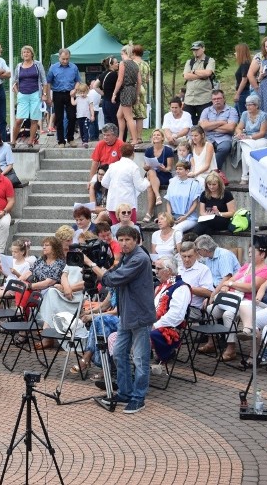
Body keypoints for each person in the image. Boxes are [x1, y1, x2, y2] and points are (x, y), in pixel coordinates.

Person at [87, 225, 155, 414]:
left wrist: (91, 264)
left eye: (128, 240)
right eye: (121, 240)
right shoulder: (126, 257)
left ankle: (138, 397)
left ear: (136, 240)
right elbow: (114, 276)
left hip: (140, 316)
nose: (124, 243)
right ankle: (125, 392)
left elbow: (113, 279)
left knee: (141, 359)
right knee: (118, 353)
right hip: (126, 314)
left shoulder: (140, 258)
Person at [201, 245, 267, 361]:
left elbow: (250, 288)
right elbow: (230, 280)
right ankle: (212, 341)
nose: (249, 255)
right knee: (210, 309)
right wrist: (227, 286)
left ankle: (231, 348)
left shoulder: (266, 271)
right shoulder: (246, 266)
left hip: (247, 302)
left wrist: (230, 285)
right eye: (248, 252)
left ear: (263, 255)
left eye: (252, 252)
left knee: (227, 314)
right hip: (233, 298)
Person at [150, 256, 192, 368]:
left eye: (158, 269)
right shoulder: (162, 286)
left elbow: (176, 316)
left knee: (141, 335)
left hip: (170, 329)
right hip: (154, 323)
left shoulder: (181, 288)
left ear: (168, 271)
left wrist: (155, 325)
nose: (155, 271)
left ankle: (138, 370)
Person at [9, 45, 46, 148]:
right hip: (23, 95)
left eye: (28, 52)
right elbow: (14, 81)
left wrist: (44, 94)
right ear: (22, 55)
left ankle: (30, 141)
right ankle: (13, 141)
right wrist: (18, 93)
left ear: (32, 54)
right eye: (24, 52)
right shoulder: (19, 66)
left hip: (35, 94)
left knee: (34, 119)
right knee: (19, 120)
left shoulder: (37, 65)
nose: (26, 54)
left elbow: (44, 81)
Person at [101, 142, 148, 222]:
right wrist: (147, 181)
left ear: (121, 153)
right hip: (127, 205)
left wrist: (114, 187)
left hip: (113, 204)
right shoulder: (133, 167)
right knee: (130, 229)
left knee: (116, 229)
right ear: (133, 154)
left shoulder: (113, 165)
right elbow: (140, 187)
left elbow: (104, 182)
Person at [47, 48, 81, 147]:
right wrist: (49, 96)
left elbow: (78, 81)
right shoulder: (53, 68)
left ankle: (70, 138)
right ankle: (61, 141)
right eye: (63, 59)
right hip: (57, 93)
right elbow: (48, 82)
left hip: (70, 94)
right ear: (59, 57)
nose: (65, 61)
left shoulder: (74, 67)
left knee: (72, 117)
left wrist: (75, 89)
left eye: (67, 59)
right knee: (59, 118)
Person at [234, 93, 267, 185]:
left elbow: (262, 132)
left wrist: (249, 137)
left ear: (257, 105)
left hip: (261, 138)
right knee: (245, 146)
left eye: (250, 104)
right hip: (248, 139)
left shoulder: (263, 115)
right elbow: (239, 128)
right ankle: (252, 171)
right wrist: (240, 134)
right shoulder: (245, 114)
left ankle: (245, 177)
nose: (248, 107)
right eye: (247, 105)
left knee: (245, 149)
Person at [0, 238, 32, 308]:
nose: (13, 254)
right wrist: (2, 271)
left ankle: (2, 317)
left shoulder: (26, 264)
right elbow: (10, 275)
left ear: (22, 252)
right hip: (7, 285)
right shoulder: (12, 261)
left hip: (15, 288)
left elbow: (25, 279)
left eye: (15, 252)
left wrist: (16, 273)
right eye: (12, 252)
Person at [198, 90, 239, 171]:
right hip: (208, 138)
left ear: (224, 99)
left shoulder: (232, 110)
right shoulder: (206, 111)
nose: (216, 101)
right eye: (214, 99)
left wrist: (210, 126)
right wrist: (222, 122)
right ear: (212, 100)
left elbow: (230, 128)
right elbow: (203, 126)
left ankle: (213, 171)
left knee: (224, 148)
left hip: (224, 138)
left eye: (219, 98)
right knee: (199, 147)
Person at [194, 234, 241, 299]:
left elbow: (226, 278)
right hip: (216, 288)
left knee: (210, 308)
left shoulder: (224, 255)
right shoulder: (208, 258)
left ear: (204, 250)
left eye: (198, 249)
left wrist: (212, 295)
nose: (197, 252)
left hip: (229, 289)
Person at [112, 44, 141, 145]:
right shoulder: (135, 64)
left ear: (124, 53)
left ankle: (135, 139)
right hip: (133, 89)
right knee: (119, 115)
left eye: (121, 53)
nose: (121, 55)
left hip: (126, 90)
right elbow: (139, 82)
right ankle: (120, 138)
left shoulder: (123, 63)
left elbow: (120, 80)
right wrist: (136, 95)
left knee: (128, 117)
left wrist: (114, 93)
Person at [142, 129, 174, 221]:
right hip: (151, 174)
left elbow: (169, 168)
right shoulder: (148, 150)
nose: (155, 136)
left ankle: (149, 212)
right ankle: (157, 196)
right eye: (154, 135)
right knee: (151, 172)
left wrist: (164, 168)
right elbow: (145, 167)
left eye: (158, 135)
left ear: (162, 138)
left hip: (163, 174)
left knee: (149, 185)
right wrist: (147, 166)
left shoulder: (168, 150)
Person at [182, 41, 216, 124]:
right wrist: (201, 75)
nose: (195, 51)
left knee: (204, 123)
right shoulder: (189, 62)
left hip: (204, 99)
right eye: (193, 50)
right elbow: (186, 76)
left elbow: (208, 73)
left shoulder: (210, 60)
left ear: (203, 48)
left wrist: (193, 72)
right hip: (189, 99)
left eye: (197, 49)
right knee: (189, 123)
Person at [165, 161, 202, 234]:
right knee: (165, 229)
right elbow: (168, 201)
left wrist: (185, 216)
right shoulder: (172, 183)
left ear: (187, 171)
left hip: (189, 218)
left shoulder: (194, 184)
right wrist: (169, 216)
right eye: (177, 169)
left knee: (176, 230)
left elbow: (195, 203)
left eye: (180, 169)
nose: (177, 171)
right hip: (174, 217)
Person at [178, 241, 215, 311]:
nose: (186, 259)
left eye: (189, 256)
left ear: (196, 255)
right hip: (177, 304)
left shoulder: (203, 269)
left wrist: (186, 287)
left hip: (193, 308)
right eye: (184, 256)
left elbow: (209, 292)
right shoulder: (178, 269)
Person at [131, 44, 150, 140]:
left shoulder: (132, 63)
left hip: (134, 88)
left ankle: (132, 137)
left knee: (131, 114)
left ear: (133, 53)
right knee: (140, 115)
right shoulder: (146, 64)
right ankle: (139, 137)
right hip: (143, 89)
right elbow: (147, 79)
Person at [98, 55, 120, 133]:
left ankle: (108, 139)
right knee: (116, 122)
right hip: (113, 101)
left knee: (107, 122)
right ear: (111, 64)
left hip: (105, 101)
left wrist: (103, 93)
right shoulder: (115, 74)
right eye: (116, 63)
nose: (118, 64)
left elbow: (95, 86)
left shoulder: (103, 74)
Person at [71, 82, 94, 148]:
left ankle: (86, 141)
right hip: (79, 116)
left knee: (85, 129)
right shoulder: (78, 98)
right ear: (78, 92)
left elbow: (91, 107)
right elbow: (73, 103)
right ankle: (83, 141)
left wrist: (92, 115)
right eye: (81, 92)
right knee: (81, 130)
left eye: (84, 92)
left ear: (87, 91)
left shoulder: (89, 98)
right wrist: (72, 97)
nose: (82, 94)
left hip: (86, 116)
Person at [232, 43, 252, 114]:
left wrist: (238, 94)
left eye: (236, 52)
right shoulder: (245, 64)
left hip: (243, 93)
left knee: (242, 115)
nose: (235, 53)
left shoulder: (245, 64)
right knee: (235, 113)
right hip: (242, 93)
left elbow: (244, 80)